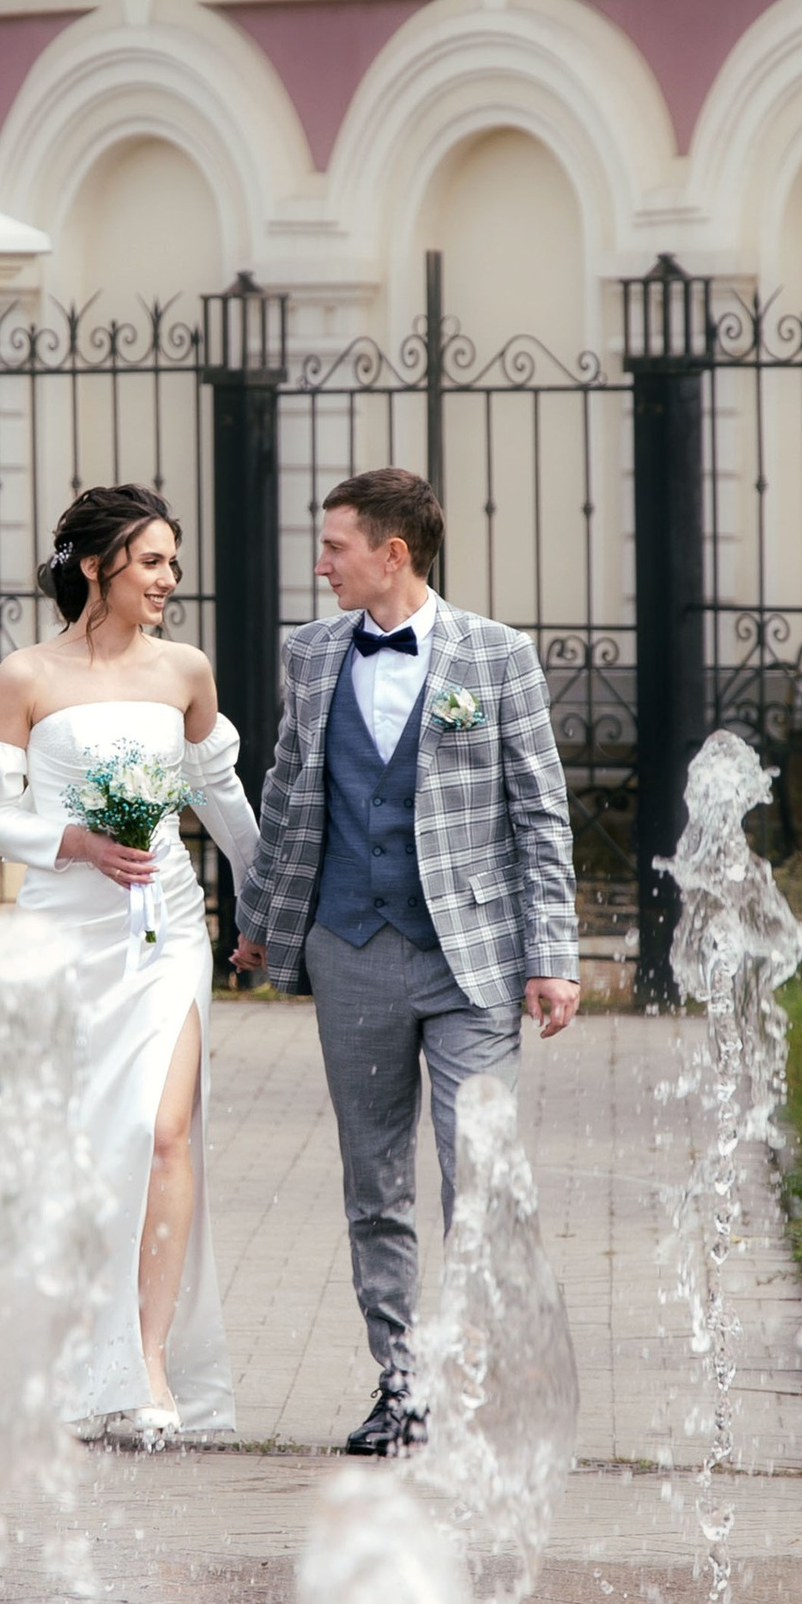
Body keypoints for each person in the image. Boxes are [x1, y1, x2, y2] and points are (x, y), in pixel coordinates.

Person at [233, 465, 579, 1455]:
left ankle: (480, 1382)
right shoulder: (308, 654)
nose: (320, 561)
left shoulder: (496, 656)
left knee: (479, 1178)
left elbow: (539, 814)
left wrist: (551, 955)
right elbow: (289, 792)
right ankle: (404, 1387)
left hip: (469, 958)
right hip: (348, 949)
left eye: (335, 544)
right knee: (372, 1182)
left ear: (393, 552)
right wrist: (261, 919)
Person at [0, 485, 259, 1438]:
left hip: (166, 929)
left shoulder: (185, 671)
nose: (169, 580)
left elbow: (218, 796)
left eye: (174, 563)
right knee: (80, 1145)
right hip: (65, 934)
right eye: (152, 562)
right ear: (97, 567)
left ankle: (150, 1365)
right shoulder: (25, 678)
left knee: (162, 1130)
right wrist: (77, 842)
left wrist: (270, 898)